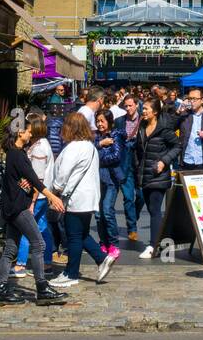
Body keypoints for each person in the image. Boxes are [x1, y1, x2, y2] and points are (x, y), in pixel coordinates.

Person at [0, 123, 69, 306]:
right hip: (18, 208)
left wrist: (26, 186)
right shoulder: (17, 155)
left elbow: (25, 179)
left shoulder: (13, 153)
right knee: (39, 244)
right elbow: (34, 179)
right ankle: (42, 289)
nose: (30, 133)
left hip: (11, 207)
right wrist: (51, 197)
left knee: (10, 249)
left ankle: (1, 290)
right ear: (19, 133)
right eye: (27, 130)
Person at [49, 112, 115, 287]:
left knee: (74, 236)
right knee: (81, 233)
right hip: (88, 196)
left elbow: (63, 174)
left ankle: (71, 273)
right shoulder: (90, 146)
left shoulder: (74, 148)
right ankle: (102, 258)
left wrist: (55, 189)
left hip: (76, 198)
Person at [11, 113, 57, 279]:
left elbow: (37, 179)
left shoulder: (38, 148)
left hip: (37, 197)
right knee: (43, 228)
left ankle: (20, 265)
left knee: (26, 228)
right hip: (43, 196)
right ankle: (47, 263)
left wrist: (31, 201)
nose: (26, 131)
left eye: (28, 128)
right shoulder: (42, 144)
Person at [134, 96, 180, 259]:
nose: (143, 111)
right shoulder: (142, 126)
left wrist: (164, 161)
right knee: (151, 209)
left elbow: (177, 146)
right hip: (144, 174)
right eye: (143, 108)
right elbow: (138, 150)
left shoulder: (164, 128)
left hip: (158, 175)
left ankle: (153, 246)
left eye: (146, 108)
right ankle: (158, 243)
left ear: (155, 111)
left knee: (154, 210)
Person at [94, 108, 125, 258]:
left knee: (107, 211)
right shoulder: (95, 138)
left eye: (102, 121)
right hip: (96, 180)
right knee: (98, 215)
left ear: (109, 122)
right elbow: (89, 152)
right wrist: (100, 144)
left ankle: (113, 243)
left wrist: (98, 159)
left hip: (111, 179)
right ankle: (103, 242)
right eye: (97, 121)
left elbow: (116, 156)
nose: (100, 124)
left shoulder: (115, 136)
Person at [119, 93, 141, 243]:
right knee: (128, 198)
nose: (128, 108)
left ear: (137, 105)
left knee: (141, 196)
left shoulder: (144, 120)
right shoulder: (119, 121)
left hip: (140, 162)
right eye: (126, 106)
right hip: (125, 163)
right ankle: (132, 228)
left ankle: (134, 215)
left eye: (130, 105)